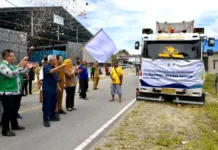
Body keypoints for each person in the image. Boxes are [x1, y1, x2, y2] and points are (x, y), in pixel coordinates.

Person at [0, 49, 28, 136]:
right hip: (6, 92)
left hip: (14, 91)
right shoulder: (2, 66)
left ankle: (14, 125)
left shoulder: (12, 65)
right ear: (6, 57)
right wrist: (19, 68)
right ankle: (5, 130)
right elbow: (10, 74)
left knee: (14, 110)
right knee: (7, 111)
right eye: (12, 56)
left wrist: (25, 68)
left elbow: (21, 72)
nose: (14, 57)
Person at [42, 55, 66, 127]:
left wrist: (58, 86)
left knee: (53, 103)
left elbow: (55, 79)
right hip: (47, 89)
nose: (56, 61)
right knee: (47, 104)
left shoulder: (54, 67)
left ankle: (52, 116)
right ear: (51, 61)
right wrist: (60, 67)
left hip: (54, 88)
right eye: (55, 60)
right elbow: (51, 72)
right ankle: (46, 119)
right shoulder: (46, 66)